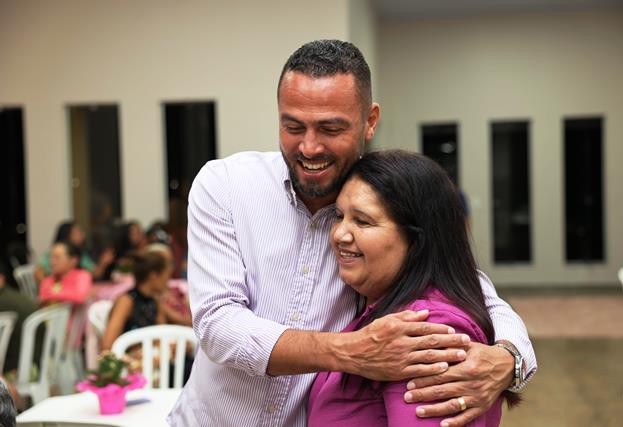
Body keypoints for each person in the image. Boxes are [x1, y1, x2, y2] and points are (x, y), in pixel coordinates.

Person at [169, 40, 536, 427]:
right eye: (293, 127)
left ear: (370, 120)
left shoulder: (381, 197)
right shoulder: (226, 185)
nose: (310, 147)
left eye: (331, 129)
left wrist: (509, 360)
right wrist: (350, 351)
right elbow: (217, 323)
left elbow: (463, 284)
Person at [308, 150, 519, 426]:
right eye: (339, 216)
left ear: (416, 239)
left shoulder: (427, 329)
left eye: (362, 221)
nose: (338, 234)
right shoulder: (382, 304)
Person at [101, 251, 172, 351]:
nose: (168, 282)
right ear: (153, 276)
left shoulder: (154, 302)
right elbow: (107, 346)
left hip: (150, 357)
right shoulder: (127, 301)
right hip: (126, 358)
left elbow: (163, 336)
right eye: (167, 276)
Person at [34, 221, 114, 283]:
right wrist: (51, 288)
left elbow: (93, 274)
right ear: (67, 236)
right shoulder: (54, 252)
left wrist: (103, 263)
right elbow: (38, 273)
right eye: (77, 232)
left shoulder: (80, 253)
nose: (82, 234)